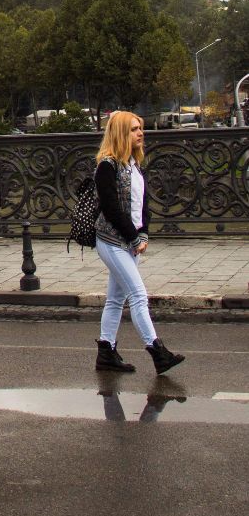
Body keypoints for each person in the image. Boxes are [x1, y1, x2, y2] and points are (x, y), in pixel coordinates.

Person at [93, 111, 185, 375]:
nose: (140, 133)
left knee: (115, 299)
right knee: (138, 295)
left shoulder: (133, 164)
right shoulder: (106, 166)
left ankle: (106, 353)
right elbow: (111, 209)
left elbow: (143, 203)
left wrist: (143, 233)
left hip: (129, 241)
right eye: (134, 129)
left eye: (140, 128)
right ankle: (158, 352)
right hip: (111, 241)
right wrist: (133, 237)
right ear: (122, 133)